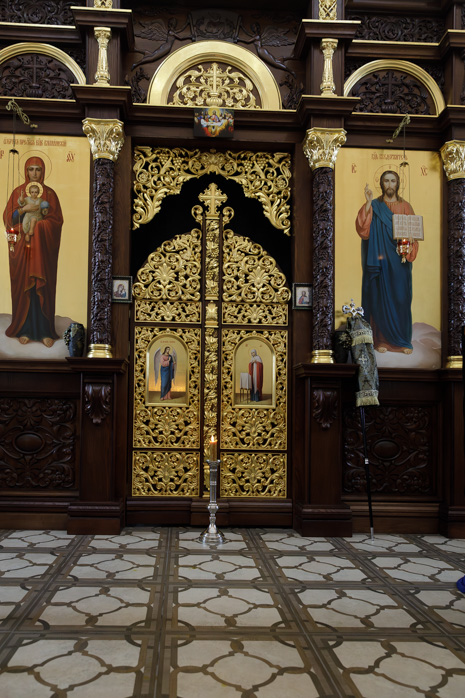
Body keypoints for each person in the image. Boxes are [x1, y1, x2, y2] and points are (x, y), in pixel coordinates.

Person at [355, 170, 418, 354]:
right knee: (380, 298)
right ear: (381, 184)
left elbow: (414, 233)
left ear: (397, 184)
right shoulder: (374, 205)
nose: (390, 184)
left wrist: (410, 243)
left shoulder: (405, 207)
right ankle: (381, 340)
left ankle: (403, 341)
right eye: (386, 181)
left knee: (401, 298)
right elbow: (363, 230)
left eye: (393, 181)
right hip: (380, 262)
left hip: (400, 262)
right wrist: (368, 202)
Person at [3, 156, 63, 347]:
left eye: (38, 169)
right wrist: (23, 210)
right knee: (24, 286)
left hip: (42, 250)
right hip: (23, 249)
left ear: (43, 171)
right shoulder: (18, 193)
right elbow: (9, 220)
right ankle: (24, 329)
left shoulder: (50, 195)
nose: (34, 173)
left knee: (41, 286)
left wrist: (40, 226)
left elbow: (56, 222)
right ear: (26, 171)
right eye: (31, 169)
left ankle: (45, 332)